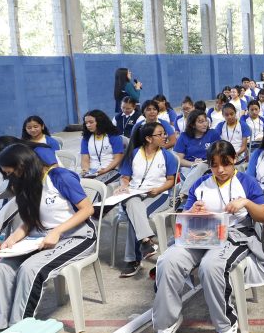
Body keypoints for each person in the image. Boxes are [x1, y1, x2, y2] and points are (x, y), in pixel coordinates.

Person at [150, 141, 264, 333]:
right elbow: (184, 217)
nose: (221, 170)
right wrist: (193, 211)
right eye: (215, 165)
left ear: (234, 159)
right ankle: (166, 323)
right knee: (168, 260)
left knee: (211, 265)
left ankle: (226, 324)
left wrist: (246, 203)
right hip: (201, 234)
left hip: (234, 234)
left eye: (225, 164)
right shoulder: (201, 184)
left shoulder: (247, 182)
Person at [0, 143, 96, 332]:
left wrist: (57, 231)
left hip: (77, 236)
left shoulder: (59, 176)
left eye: (11, 172)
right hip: (39, 237)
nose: (10, 177)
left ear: (23, 165)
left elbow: (87, 209)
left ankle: (19, 327)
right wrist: (14, 237)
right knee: (0, 269)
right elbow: (30, 221)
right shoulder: (25, 183)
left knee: (30, 269)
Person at [115, 122, 178, 278]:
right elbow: (125, 177)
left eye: (164, 133)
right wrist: (123, 185)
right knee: (132, 204)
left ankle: (133, 260)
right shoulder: (133, 153)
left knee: (134, 216)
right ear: (149, 138)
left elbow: (171, 180)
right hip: (134, 194)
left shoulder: (167, 156)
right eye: (160, 134)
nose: (165, 137)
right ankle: (146, 241)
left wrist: (159, 189)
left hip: (158, 195)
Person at [174, 109, 220, 197]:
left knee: (201, 166)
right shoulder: (184, 136)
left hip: (209, 165)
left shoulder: (213, 134)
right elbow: (179, 160)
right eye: (200, 122)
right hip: (189, 166)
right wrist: (193, 163)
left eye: (205, 121)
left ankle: (183, 194)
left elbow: (220, 152)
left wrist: (208, 160)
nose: (205, 124)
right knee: (194, 169)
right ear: (192, 124)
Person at [79, 109, 125, 185]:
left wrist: (105, 170)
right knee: (75, 182)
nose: (88, 125)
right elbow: (85, 159)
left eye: (91, 122)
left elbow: (118, 158)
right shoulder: (86, 139)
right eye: (86, 123)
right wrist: (85, 170)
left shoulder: (113, 136)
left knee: (94, 185)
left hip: (111, 170)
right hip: (92, 171)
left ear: (100, 121)